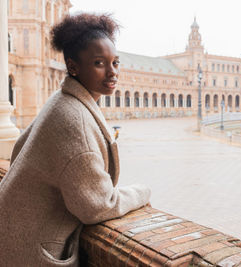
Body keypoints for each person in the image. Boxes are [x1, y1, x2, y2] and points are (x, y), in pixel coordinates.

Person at [0, 13, 151, 266]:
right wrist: (142, 192)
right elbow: (98, 206)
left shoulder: (60, 101)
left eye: (115, 62)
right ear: (73, 66)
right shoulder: (75, 121)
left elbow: (18, 149)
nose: (112, 72)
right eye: (99, 63)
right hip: (27, 250)